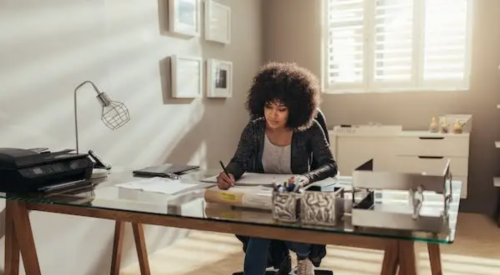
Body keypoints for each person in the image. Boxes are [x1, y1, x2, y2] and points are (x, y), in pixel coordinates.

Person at [216, 62, 338, 275]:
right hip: (264, 197)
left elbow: (330, 165)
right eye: (269, 107)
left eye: (281, 109)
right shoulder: (255, 128)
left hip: (295, 197)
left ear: (296, 109)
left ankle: (303, 258)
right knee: (258, 235)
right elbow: (239, 161)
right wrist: (229, 174)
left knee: (289, 231)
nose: (273, 115)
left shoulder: (309, 128)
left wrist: (305, 179)